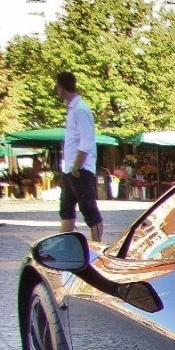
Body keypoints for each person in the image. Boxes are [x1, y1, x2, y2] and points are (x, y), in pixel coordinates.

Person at [54, 71, 103, 241]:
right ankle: (64, 246)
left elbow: (86, 141)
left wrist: (77, 166)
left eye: (57, 87)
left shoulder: (80, 109)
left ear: (61, 88)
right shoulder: (72, 109)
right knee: (66, 209)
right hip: (71, 169)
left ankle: (98, 248)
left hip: (80, 169)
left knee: (89, 210)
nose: (56, 91)